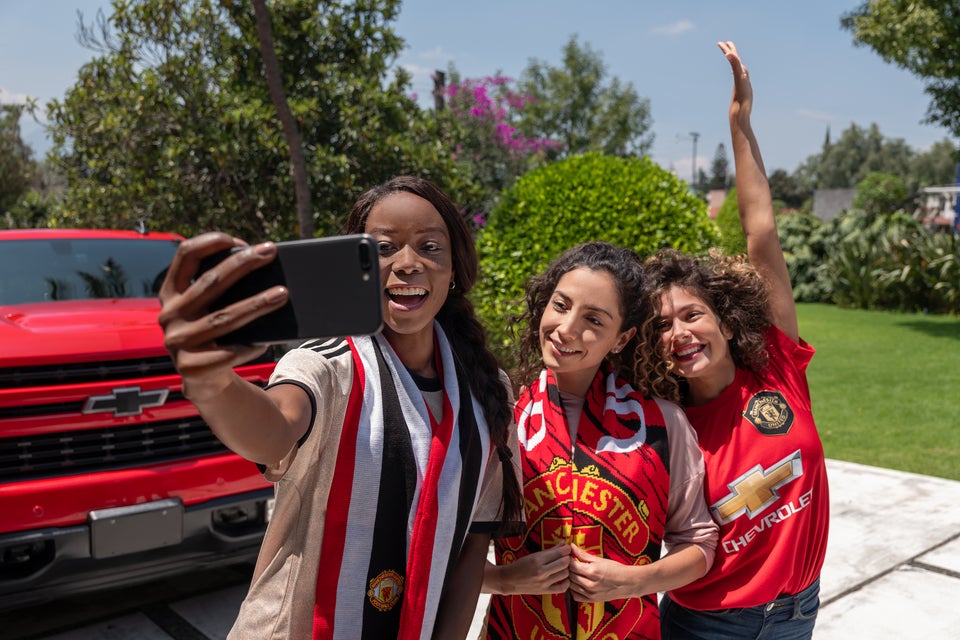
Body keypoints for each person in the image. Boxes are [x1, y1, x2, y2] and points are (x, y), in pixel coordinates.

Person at [157, 176, 524, 639]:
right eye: (384, 248)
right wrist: (210, 383)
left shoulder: (489, 393)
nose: (407, 264)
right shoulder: (328, 366)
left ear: (454, 271)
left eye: (430, 247)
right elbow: (273, 430)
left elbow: (471, 548)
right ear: (359, 268)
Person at [639, 42, 830, 639]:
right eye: (663, 325)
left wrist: (739, 125)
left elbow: (761, 231)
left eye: (692, 315)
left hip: (800, 610)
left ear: (725, 320)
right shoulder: (662, 424)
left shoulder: (775, 367)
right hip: (708, 625)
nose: (680, 333)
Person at [482, 241, 719, 639]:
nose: (567, 329)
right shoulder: (501, 415)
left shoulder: (662, 424)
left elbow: (699, 545)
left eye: (594, 319)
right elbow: (444, 545)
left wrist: (635, 581)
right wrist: (504, 580)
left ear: (621, 339)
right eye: (560, 305)